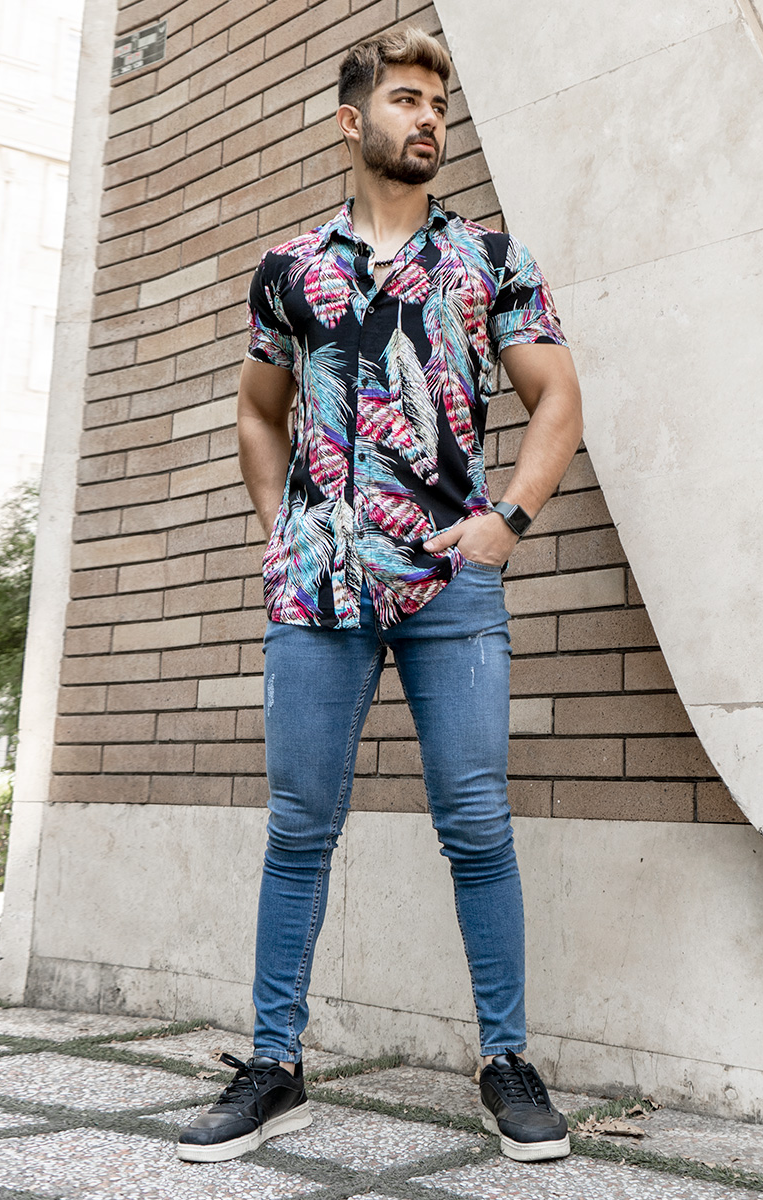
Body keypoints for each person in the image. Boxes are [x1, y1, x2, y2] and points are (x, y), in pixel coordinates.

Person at [177, 25, 584, 1166]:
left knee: (478, 823)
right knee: (299, 828)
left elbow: (558, 399)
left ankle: (505, 1061)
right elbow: (258, 408)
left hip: (452, 581)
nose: (429, 120)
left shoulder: (491, 261)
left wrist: (508, 519)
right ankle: (274, 1066)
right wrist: (283, 533)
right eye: (407, 100)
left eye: (439, 106)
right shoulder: (290, 269)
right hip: (318, 588)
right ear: (352, 120)